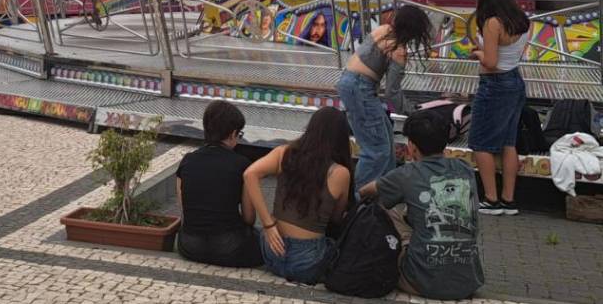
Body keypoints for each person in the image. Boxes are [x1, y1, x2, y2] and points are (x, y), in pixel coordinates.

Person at [360, 109, 484, 300]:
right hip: (468, 282)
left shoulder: (406, 174)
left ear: (412, 146)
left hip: (423, 282)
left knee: (385, 209)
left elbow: (365, 192)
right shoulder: (464, 169)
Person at [244, 106, 352, 284]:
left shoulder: (283, 153)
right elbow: (336, 218)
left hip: (272, 253)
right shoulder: (340, 173)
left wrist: (268, 225)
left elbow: (250, 174)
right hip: (308, 263)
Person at [337, 6, 435, 192]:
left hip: (349, 82)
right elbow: (392, 92)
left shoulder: (382, 30)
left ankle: (384, 192)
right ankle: (358, 198)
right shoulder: (398, 50)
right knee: (376, 151)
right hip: (361, 89)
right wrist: (412, 111)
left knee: (386, 140)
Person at [468, 0, 529, 215]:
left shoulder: (493, 22)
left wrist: (478, 54)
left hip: (494, 85)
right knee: (508, 142)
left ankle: (491, 199)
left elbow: (491, 62)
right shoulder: (520, 18)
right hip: (514, 80)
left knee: (480, 142)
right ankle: (508, 200)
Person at [175, 101, 263, 268]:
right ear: (232, 134)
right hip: (230, 247)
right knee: (262, 237)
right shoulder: (243, 165)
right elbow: (249, 218)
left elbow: (185, 211)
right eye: (239, 134)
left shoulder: (187, 161)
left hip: (189, 246)